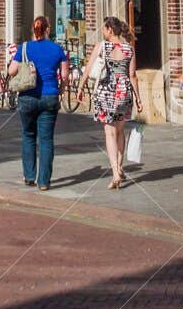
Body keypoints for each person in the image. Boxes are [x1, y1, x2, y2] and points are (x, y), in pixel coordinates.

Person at [79, 16, 141, 189]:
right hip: (124, 93)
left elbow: (89, 69)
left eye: (104, 29)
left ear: (110, 30)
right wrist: (139, 98)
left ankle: (114, 172)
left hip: (106, 93)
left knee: (109, 133)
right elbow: (133, 76)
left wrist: (80, 88)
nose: (103, 32)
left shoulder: (102, 46)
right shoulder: (129, 49)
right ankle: (120, 166)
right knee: (120, 130)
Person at [8, 16, 68, 192]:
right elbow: (64, 76)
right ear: (48, 29)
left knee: (28, 135)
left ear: (34, 30)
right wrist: (62, 90)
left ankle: (29, 176)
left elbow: (12, 70)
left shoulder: (24, 48)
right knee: (46, 139)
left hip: (27, 97)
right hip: (49, 97)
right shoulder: (58, 49)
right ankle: (44, 181)